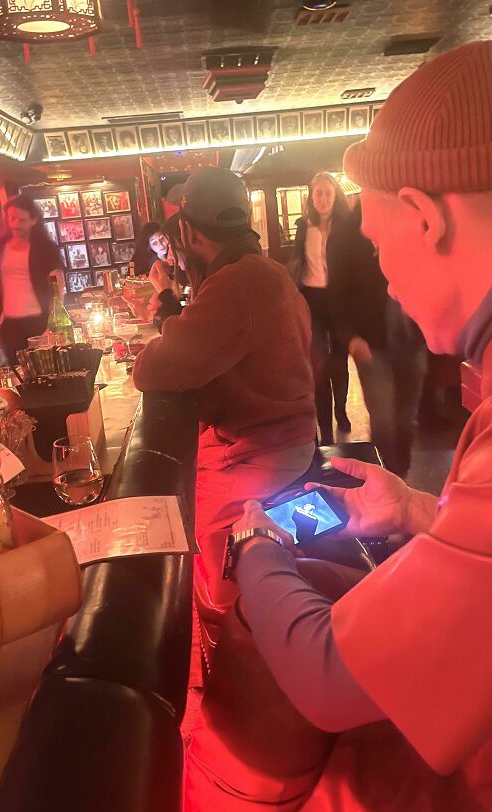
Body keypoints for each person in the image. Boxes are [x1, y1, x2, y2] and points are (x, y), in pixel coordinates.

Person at [184, 40, 492, 812]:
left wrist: (254, 539)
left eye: (376, 234)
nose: (382, 271)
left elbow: (330, 678)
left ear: (426, 217)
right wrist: (418, 509)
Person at [132, 168, 316, 659]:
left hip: (262, 452)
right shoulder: (256, 271)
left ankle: (235, 659)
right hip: (279, 440)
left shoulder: (237, 283)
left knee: (195, 545)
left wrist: (167, 306)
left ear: (190, 232)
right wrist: (173, 303)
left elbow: (154, 368)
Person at [327, 199, 426, 476]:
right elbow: (336, 293)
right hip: (371, 342)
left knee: (407, 419)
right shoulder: (346, 234)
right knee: (384, 421)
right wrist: (350, 337)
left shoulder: (410, 222)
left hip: (411, 336)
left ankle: (401, 476)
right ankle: (390, 481)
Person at [290, 171, 352, 444]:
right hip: (312, 298)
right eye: (319, 194)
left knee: (339, 360)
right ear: (311, 197)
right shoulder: (303, 225)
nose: (324, 199)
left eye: (328, 193)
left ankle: (341, 409)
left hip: (339, 298)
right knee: (318, 364)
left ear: (335, 195)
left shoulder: (346, 226)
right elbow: (296, 259)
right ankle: (325, 429)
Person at [0, 195, 62, 364]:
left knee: (46, 369)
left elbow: (58, 286)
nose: (15, 224)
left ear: (34, 220)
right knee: (17, 373)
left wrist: (52, 325)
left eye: (22, 220)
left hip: (39, 321)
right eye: (12, 218)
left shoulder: (46, 249)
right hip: (10, 324)